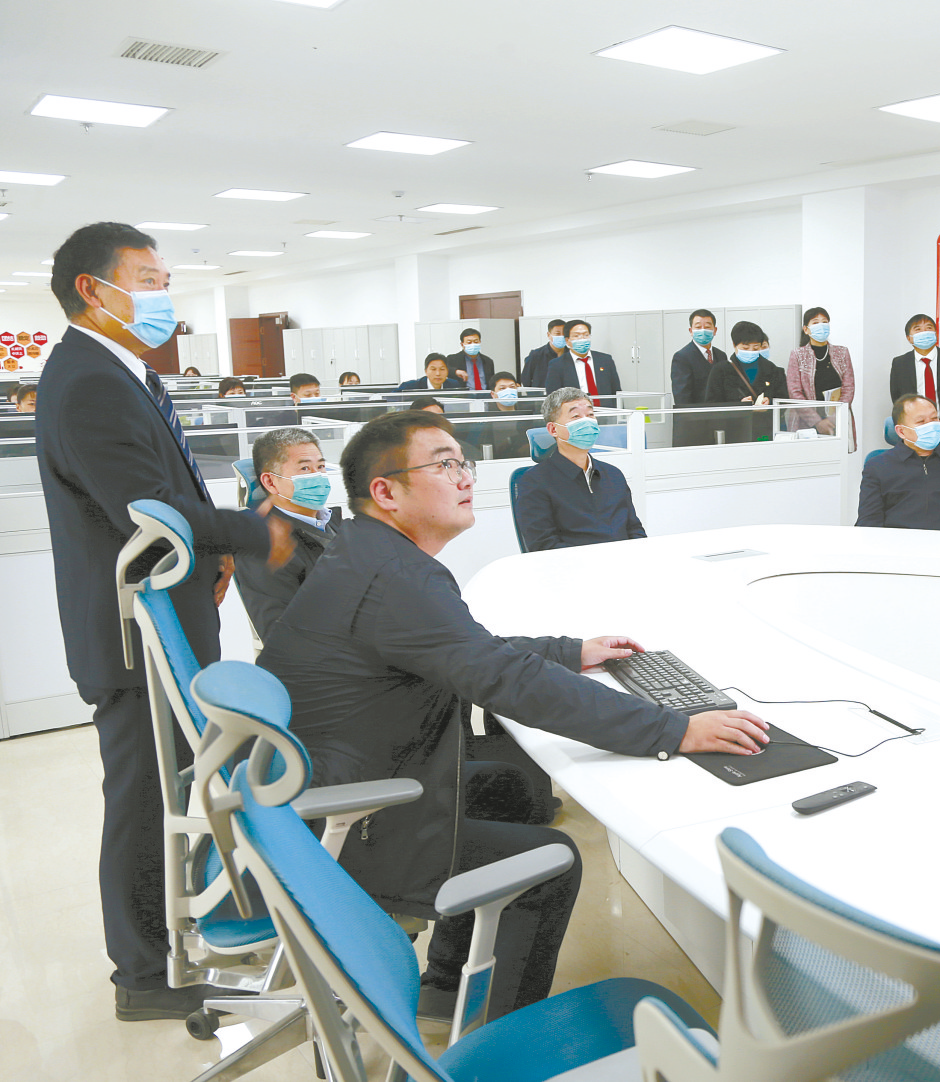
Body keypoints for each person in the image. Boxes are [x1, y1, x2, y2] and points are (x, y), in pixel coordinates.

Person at [256, 410, 767, 1021]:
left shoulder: (370, 553)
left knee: (507, 788)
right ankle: (493, 1040)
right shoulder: (394, 575)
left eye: (462, 463)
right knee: (549, 864)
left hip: (334, 782)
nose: (464, 477)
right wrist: (671, 728)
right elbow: (507, 681)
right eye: (443, 464)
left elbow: (466, 649)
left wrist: (570, 651)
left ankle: (449, 984)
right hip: (347, 821)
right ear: (386, 492)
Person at [35, 222, 293, 1021]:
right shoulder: (88, 380)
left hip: (167, 615)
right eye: (146, 279)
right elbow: (146, 508)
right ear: (93, 289)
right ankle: (142, 976)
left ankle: (182, 939)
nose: (162, 295)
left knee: (173, 787)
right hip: (131, 636)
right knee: (144, 801)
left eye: (163, 279)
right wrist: (257, 532)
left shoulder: (124, 374)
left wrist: (213, 555)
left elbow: (166, 488)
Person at [234, 428, 338, 641]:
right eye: (305, 468)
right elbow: (281, 637)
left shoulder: (337, 525)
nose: (317, 476)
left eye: (320, 467)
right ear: (271, 482)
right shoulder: (266, 548)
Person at [516, 388, 646, 550]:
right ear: (553, 429)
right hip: (573, 564)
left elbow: (634, 529)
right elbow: (543, 545)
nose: (587, 422)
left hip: (624, 560)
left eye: (590, 415)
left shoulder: (613, 475)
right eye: (576, 416)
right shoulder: (534, 482)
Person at [857, 394, 940, 532]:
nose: (931, 425)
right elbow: (869, 521)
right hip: (898, 543)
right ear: (901, 431)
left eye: (934, 419)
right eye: (921, 421)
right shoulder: (878, 467)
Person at [890, 314, 940, 452]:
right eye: (918, 329)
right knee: (914, 464)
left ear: (936, 333)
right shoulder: (900, 363)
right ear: (909, 338)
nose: (924, 332)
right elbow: (897, 397)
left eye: (929, 328)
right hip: (914, 427)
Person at [786, 306, 856, 446]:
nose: (821, 326)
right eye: (815, 322)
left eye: (824, 322)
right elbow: (794, 392)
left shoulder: (842, 352)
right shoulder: (797, 355)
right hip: (806, 423)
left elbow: (848, 388)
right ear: (806, 329)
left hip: (836, 421)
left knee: (837, 456)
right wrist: (817, 422)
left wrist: (833, 419)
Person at [706, 321, 787, 405]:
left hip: (766, 414)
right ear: (734, 345)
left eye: (756, 348)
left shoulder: (773, 370)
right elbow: (712, 404)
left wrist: (770, 402)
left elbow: (783, 400)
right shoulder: (720, 371)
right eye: (745, 348)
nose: (750, 351)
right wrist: (739, 405)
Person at [550, 320, 621, 405]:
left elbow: (616, 391)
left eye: (586, 335)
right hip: (575, 411)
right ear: (567, 340)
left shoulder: (605, 360)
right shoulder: (557, 365)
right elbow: (553, 398)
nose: (582, 339)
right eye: (576, 336)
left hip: (606, 411)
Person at [670, 310, 727, 407]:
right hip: (697, 414)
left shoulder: (721, 355)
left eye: (707, 327)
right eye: (698, 327)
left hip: (720, 413)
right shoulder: (682, 357)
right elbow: (682, 397)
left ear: (715, 330)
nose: (703, 330)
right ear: (691, 331)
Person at [485, 372, 532, 459]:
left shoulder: (528, 414)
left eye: (512, 387)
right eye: (502, 388)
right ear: (493, 394)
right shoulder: (487, 419)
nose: (508, 391)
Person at [520, 319, 567, 391]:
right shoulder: (536, 355)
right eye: (558, 334)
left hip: (567, 396)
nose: (562, 336)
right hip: (542, 396)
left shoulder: (571, 354)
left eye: (564, 333)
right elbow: (526, 379)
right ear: (549, 335)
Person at [400, 353, 465, 392]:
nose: (438, 373)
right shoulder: (410, 387)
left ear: (447, 371)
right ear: (426, 371)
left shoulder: (454, 385)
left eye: (442, 369)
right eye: (433, 369)